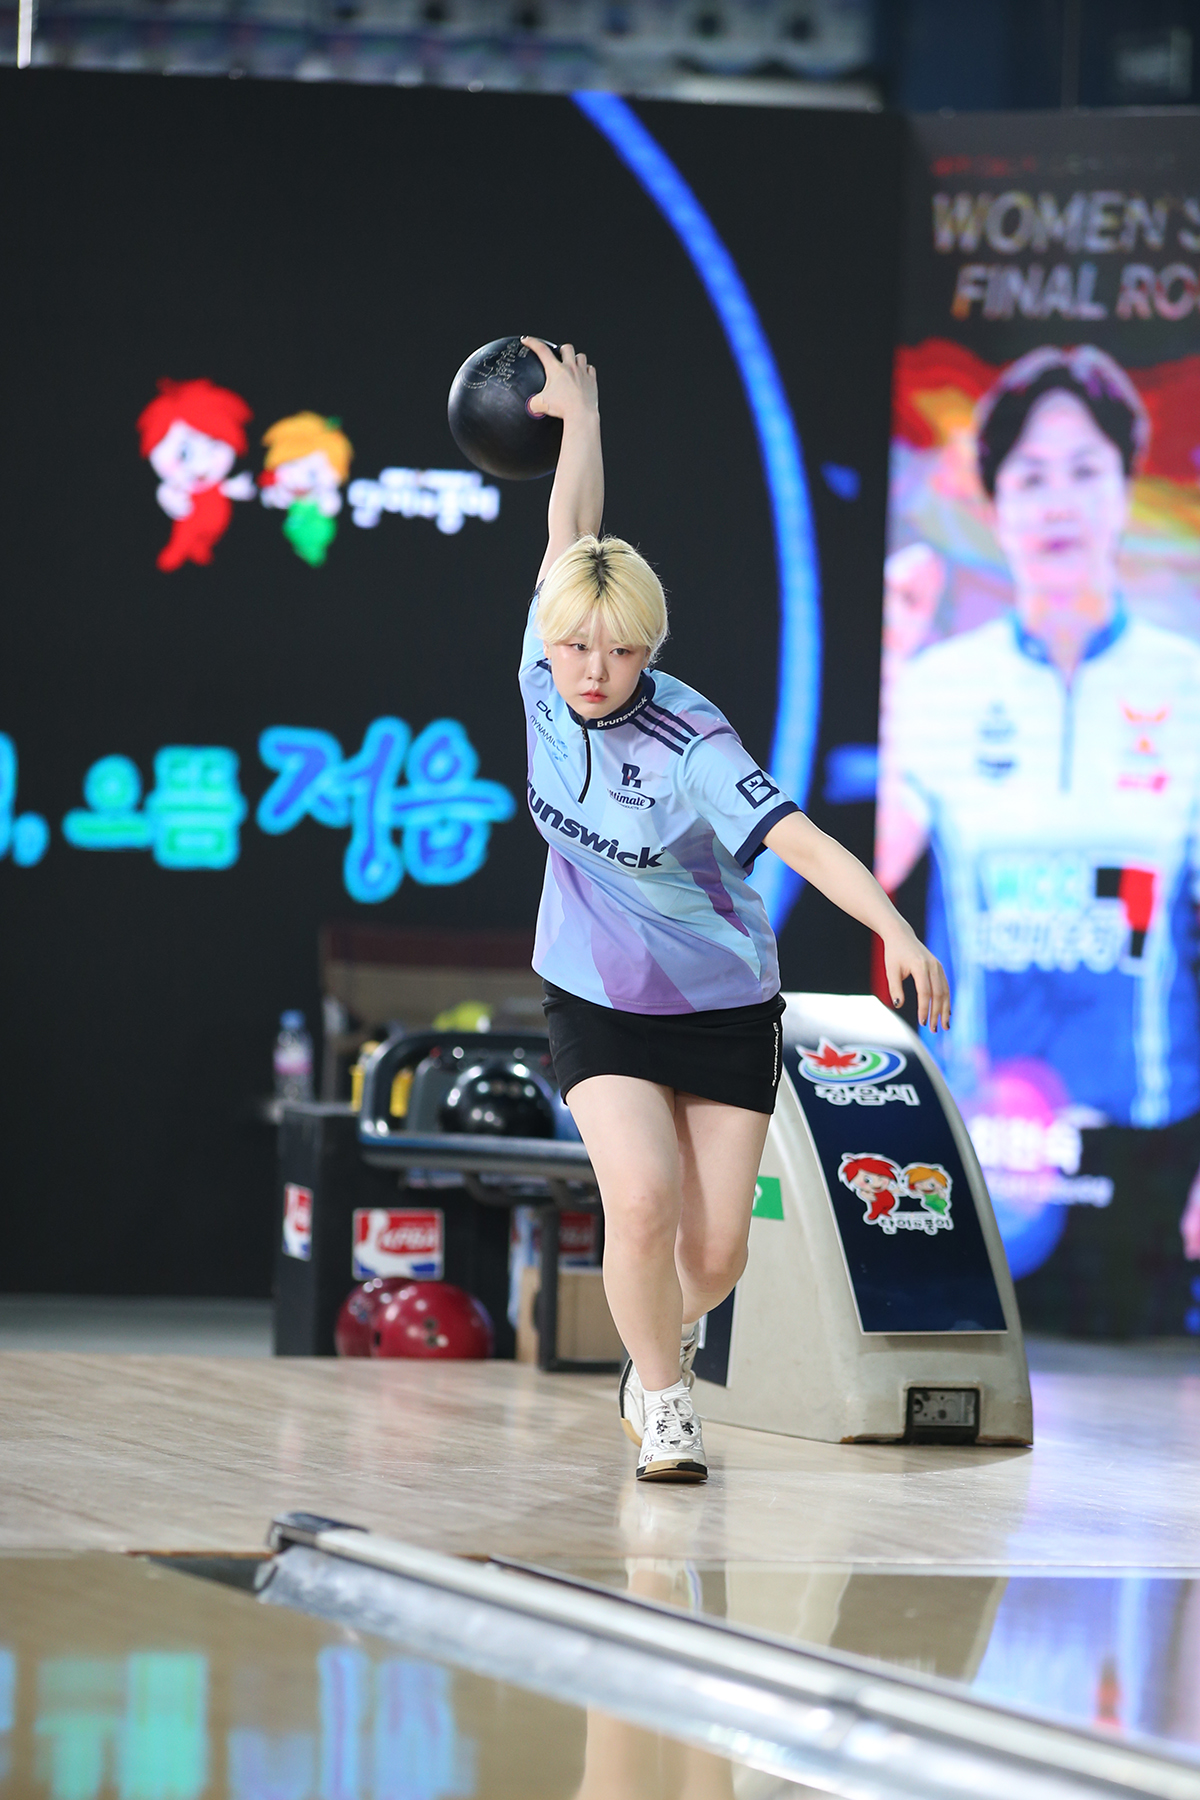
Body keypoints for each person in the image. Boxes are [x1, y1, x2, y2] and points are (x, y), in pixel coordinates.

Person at [519, 337, 949, 1483]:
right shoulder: (546, 661)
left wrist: (895, 928)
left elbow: (799, 841)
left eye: (619, 652)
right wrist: (580, 419)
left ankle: (660, 1346)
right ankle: (667, 1404)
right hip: (594, 990)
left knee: (713, 1259)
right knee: (641, 1204)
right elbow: (574, 528)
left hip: (721, 1001)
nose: (592, 669)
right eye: (575, 647)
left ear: (649, 649)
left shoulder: (692, 741)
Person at [879, 345, 1200, 1335]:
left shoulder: (1186, 684)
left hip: (1149, 1159)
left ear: (1123, 489)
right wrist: (889, 661)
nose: (1058, 502)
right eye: (1030, 478)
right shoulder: (938, 684)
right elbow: (867, 879)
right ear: (995, 502)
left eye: (1084, 471)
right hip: (977, 1145)